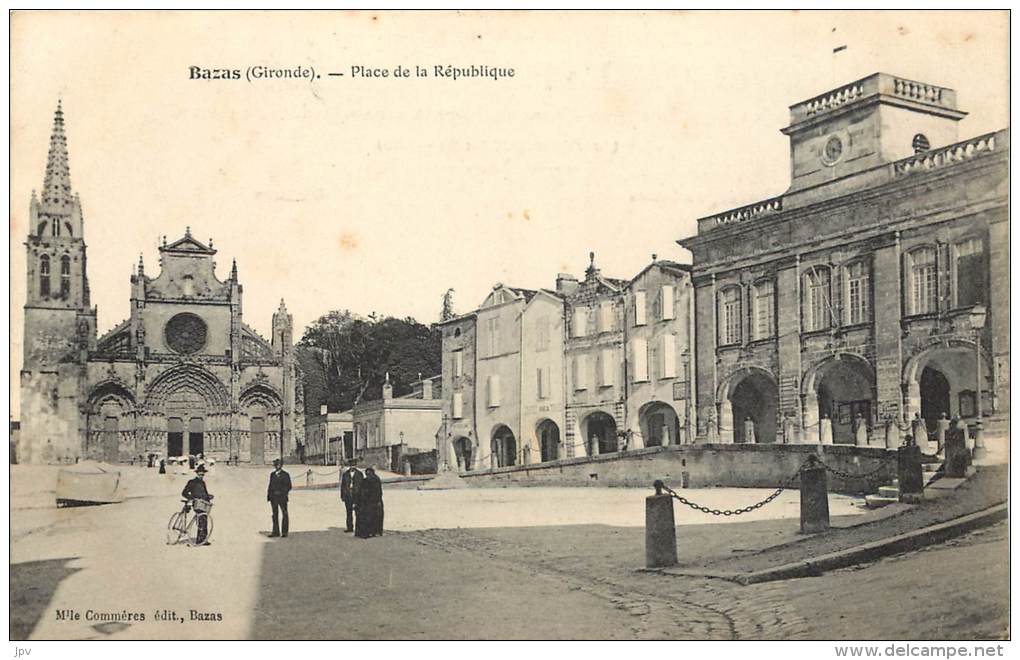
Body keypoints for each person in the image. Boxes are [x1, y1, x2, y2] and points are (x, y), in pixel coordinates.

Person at [181, 464, 213, 545]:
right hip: (197, 503)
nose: (201, 476)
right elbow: (184, 493)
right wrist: (192, 497)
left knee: (204, 520)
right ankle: (200, 540)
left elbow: (205, 494)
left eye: (202, 474)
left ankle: (203, 539)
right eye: (200, 474)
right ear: (197, 473)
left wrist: (209, 496)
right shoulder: (192, 482)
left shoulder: (203, 483)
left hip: (204, 504)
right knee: (202, 520)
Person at [355, 467, 384, 538]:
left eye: (368, 474)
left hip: (372, 502)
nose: (367, 475)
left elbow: (377, 492)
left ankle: (371, 532)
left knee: (371, 517)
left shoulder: (373, 480)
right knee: (370, 517)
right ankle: (371, 532)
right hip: (369, 501)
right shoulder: (369, 480)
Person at [267, 458, 292, 538]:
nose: (277, 466)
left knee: (284, 514)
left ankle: (284, 532)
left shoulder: (285, 474)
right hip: (274, 498)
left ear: (281, 466)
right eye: (276, 465)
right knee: (275, 515)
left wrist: (282, 492)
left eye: (279, 465)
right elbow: (270, 486)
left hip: (282, 497)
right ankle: (275, 532)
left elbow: (289, 486)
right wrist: (269, 496)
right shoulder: (272, 474)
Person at [339, 461, 363, 533]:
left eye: (354, 465)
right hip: (348, 496)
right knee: (349, 513)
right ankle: (349, 527)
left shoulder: (359, 474)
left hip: (357, 496)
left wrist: (362, 496)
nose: (352, 467)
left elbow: (362, 486)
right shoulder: (345, 474)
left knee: (358, 513)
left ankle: (358, 528)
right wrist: (342, 496)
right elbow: (343, 486)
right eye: (351, 465)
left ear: (356, 465)